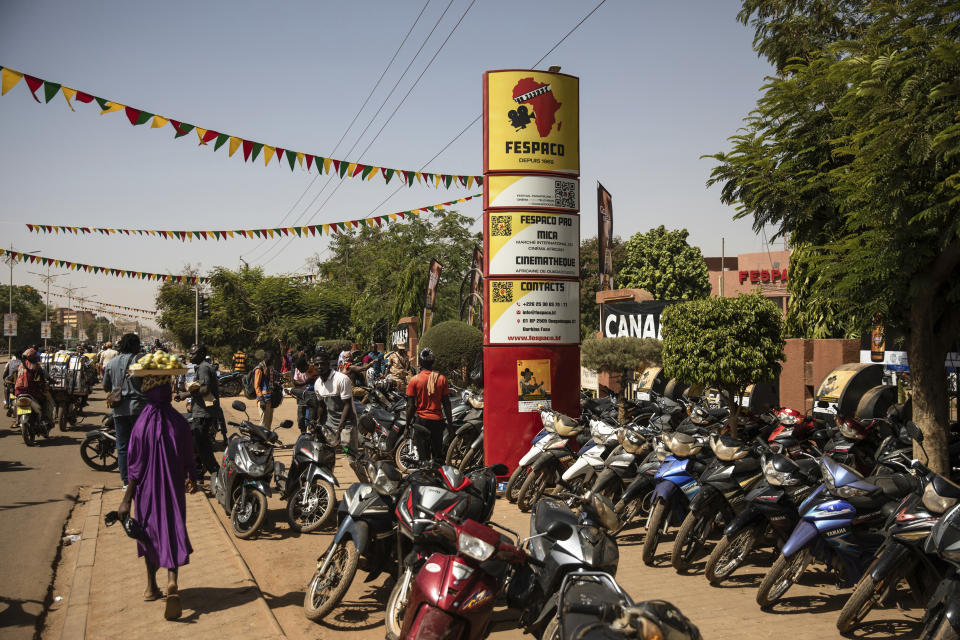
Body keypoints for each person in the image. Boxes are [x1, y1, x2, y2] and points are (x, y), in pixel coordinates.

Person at [117, 374, 196, 620]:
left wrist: (126, 499)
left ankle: (151, 586)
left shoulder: (141, 425)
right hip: (173, 490)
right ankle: (172, 580)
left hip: (146, 492)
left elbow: (135, 467)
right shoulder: (179, 422)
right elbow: (189, 456)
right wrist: (192, 476)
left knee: (148, 532)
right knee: (172, 528)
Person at [102, 333, 146, 488]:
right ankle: (141, 478)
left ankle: (126, 482)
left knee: (122, 446)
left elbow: (106, 386)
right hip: (138, 409)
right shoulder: (139, 361)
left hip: (119, 409)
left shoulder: (112, 363)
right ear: (134, 346)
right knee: (140, 445)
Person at [176, 344, 219, 483]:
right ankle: (206, 473)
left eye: (193, 354)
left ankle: (215, 472)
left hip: (204, 413)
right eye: (190, 353)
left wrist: (185, 395)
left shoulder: (204, 367)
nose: (190, 356)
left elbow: (205, 389)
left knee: (201, 445)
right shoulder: (201, 367)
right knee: (200, 445)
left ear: (200, 354)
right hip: (201, 411)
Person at [405, 348, 453, 466]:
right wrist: (450, 425)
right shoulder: (441, 379)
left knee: (423, 459)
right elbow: (446, 404)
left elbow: (411, 406)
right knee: (438, 457)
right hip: (438, 422)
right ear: (432, 362)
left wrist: (407, 426)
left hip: (421, 422)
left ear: (419, 364)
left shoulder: (414, 380)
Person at [314, 354, 356, 445]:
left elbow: (347, 405)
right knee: (328, 454)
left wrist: (340, 427)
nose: (319, 367)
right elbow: (321, 406)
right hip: (330, 425)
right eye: (316, 365)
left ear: (328, 364)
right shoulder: (317, 383)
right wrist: (318, 422)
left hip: (347, 424)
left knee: (350, 454)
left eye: (322, 364)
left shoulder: (341, 379)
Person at [13, 348, 55, 427]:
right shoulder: (37, 366)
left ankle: (16, 420)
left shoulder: (20, 366)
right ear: (34, 357)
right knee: (45, 400)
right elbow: (44, 378)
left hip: (18, 391)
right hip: (32, 391)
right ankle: (44, 418)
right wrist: (50, 382)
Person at [292, 355, 318, 433]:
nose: (300, 370)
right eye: (299, 369)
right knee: (301, 418)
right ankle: (303, 434)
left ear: (305, 365)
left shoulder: (313, 369)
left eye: (301, 369)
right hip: (301, 396)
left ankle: (311, 433)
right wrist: (305, 383)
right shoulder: (297, 369)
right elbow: (295, 382)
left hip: (312, 396)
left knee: (311, 418)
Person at [253, 351, 276, 428]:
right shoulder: (259, 369)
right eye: (270, 359)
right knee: (263, 425)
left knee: (268, 424)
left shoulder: (269, 368)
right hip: (263, 400)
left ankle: (266, 440)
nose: (272, 361)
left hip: (270, 400)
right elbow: (256, 386)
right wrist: (261, 399)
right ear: (266, 359)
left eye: (272, 359)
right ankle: (261, 440)